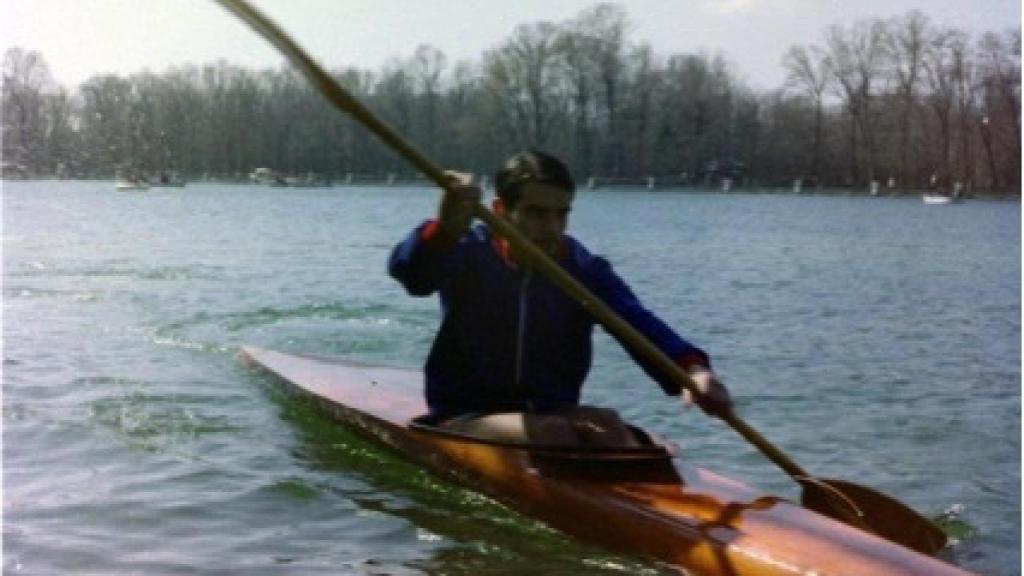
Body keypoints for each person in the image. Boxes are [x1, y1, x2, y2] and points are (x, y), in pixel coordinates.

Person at [388, 150, 731, 446]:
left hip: (551, 411)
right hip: (465, 414)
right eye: (537, 213)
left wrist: (694, 370)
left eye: (562, 213)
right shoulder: (466, 250)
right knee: (551, 432)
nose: (552, 227)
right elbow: (412, 274)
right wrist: (445, 228)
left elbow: (638, 324)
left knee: (609, 427)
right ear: (501, 210)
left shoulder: (582, 268)